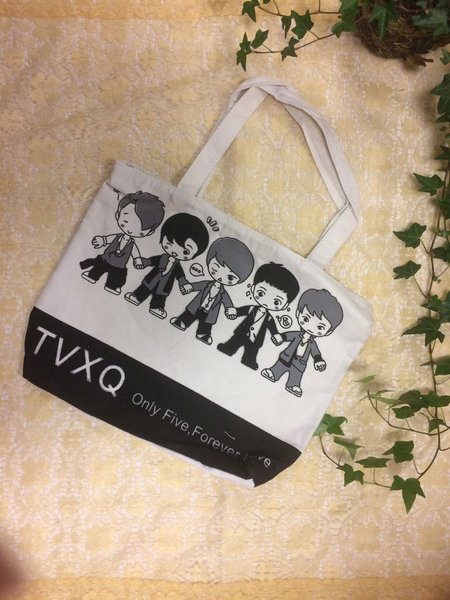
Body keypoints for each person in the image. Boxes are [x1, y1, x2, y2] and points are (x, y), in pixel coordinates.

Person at [170, 237, 254, 345]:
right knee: (189, 314)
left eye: (230, 277)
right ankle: (182, 322)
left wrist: (230, 308)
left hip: (209, 312)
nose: (220, 277)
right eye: (215, 268)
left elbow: (227, 301)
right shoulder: (206, 284)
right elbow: (198, 285)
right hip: (197, 307)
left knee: (206, 324)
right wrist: (190, 287)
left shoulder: (223, 293)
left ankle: (203, 334)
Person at [124, 212, 209, 319]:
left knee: (160, 298)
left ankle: (156, 307)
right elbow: (151, 261)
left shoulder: (177, 266)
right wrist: (143, 262)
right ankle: (137, 297)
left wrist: (184, 284)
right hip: (151, 280)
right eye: (169, 243)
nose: (175, 251)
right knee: (144, 289)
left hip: (164, 287)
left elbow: (181, 277)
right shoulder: (162, 258)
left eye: (186, 252)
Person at [261, 288, 343, 397]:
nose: (310, 327)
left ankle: (293, 385)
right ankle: (273, 373)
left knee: (296, 376)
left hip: (299, 364)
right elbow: (288, 336)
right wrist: (281, 337)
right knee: (279, 366)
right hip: (286, 357)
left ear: (328, 332)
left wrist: (318, 360)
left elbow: (316, 353)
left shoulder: (312, 343)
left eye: (320, 327)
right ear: (298, 313)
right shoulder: (297, 335)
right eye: (306, 319)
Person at [217, 262, 299, 370]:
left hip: (255, 338)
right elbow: (242, 310)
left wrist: (276, 335)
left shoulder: (269, 318)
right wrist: (235, 311)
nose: (266, 301)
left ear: (285, 306)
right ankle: (228, 348)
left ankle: (249, 360)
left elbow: (272, 327)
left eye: (276, 302)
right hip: (242, 332)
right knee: (234, 341)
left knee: (252, 351)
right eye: (261, 293)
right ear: (253, 289)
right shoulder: (252, 308)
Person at [80, 191, 165, 295]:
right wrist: (103, 240)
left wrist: (138, 260)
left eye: (140, 230)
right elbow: (108, 239)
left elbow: (135, 253)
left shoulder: (132, 244)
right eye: (125, 222)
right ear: (117, 215)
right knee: (98, 267)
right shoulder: (117, 237)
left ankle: (112, 286)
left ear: (149, 232)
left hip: (119, 266)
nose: (130, 230)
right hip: (106, 259)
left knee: (116, 277)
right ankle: (92, 276)